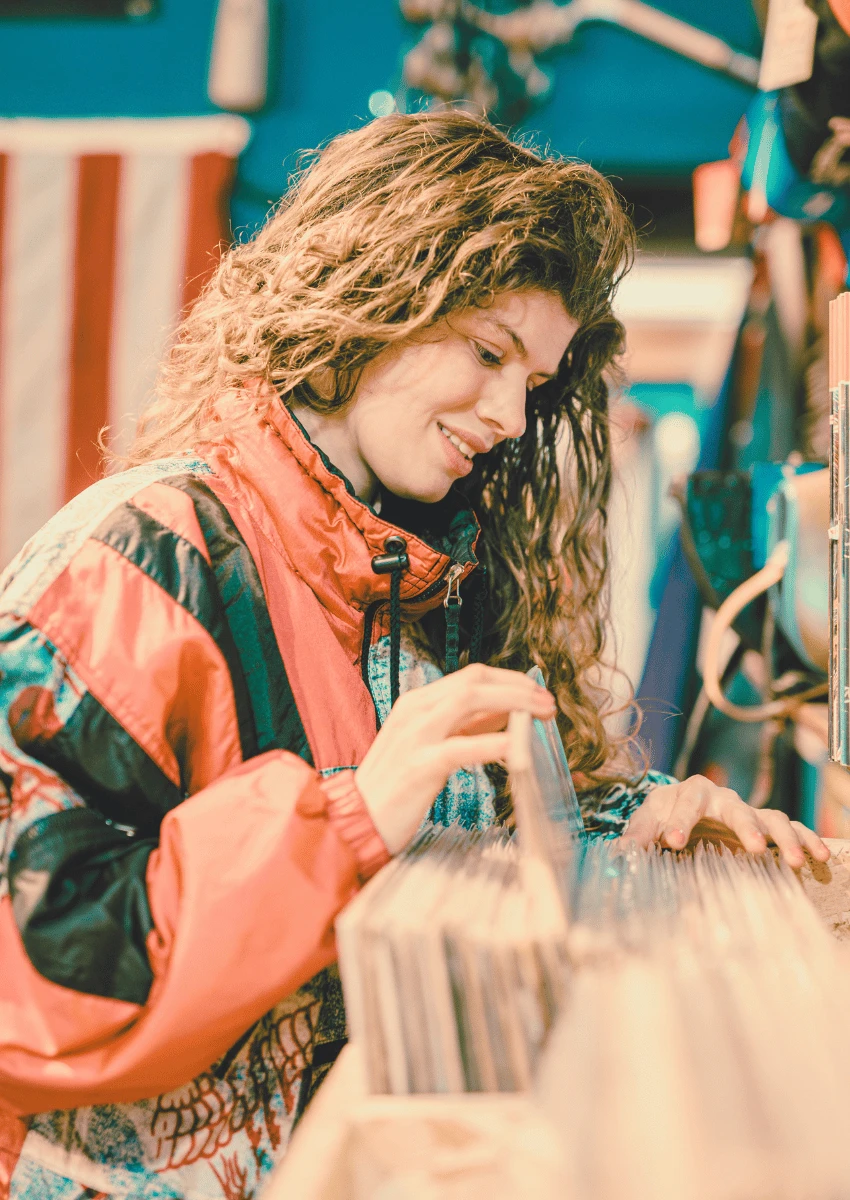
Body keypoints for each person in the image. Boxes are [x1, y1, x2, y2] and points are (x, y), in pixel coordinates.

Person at [0, 111, 828, 1200]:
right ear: (370, 297)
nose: (504, 413)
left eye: (532, 381)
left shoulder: (423, 571)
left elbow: (450, 849)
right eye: (485, 352)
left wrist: (639, 833)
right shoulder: (130, 567)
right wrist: (343, 819)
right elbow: (30, 978)